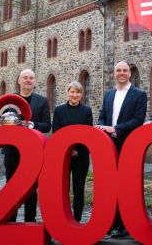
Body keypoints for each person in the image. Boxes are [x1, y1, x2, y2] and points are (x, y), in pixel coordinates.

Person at [97, 61, 147, 238]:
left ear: (130, 73)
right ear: (114, 74)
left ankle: (125, 224)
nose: (121, 73)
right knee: (111, 185)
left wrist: (116, 128)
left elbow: (138, 120)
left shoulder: (139, 94)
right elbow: (102, 115)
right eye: (118, 70)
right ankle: (112, 222)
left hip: (128, 144)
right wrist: (103, 127)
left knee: (126, 185)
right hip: (108, 145)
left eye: (125, 70)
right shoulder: (109, 94)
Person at [2, 69, 51, 222]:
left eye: (31, 78)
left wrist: (32, 124)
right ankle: (10, 220)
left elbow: (47, 126)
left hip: (33, 151)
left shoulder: (42, 101)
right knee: (11, 187)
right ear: (19, 81)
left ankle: (30, 221)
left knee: (31, 188)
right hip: (12, 151)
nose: (28, 80)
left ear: (34, 81)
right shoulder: (9, 101)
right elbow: (1, 122)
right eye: (25, 78)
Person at [51, 81, 93, 223]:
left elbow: (88, 134)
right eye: (72, 92)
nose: (75, 95)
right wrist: (69, 149)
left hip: (81, 156)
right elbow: (56, 131)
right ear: (68, 93)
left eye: (78, 92)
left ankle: (77, 219)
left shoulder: (87, 111)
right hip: (64, 155)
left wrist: (77, 150)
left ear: (81, 95)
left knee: (78, 189)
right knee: (63, 188)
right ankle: (63, 218)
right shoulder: (59, 110)